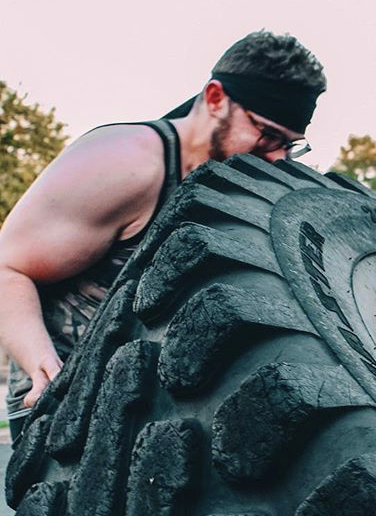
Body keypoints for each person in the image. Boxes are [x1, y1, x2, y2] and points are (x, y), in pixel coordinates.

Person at [0, 31, 327, 444]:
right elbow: (8, 265)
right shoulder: (126, 162)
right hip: (65, 404)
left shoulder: (241, 182)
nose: (278, 158)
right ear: (214, 98)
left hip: (158, 410)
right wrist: (42, 366)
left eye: (291, 145)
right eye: (267, 135)